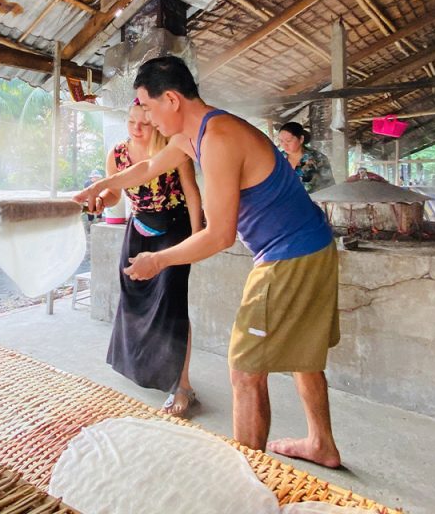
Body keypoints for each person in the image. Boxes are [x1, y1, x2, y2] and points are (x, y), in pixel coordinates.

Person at [75, 56, 342, 468]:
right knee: (302, 355)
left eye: (147, 105)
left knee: (245, 370)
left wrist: (157, 260)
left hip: (290, 255)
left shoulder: (218, 138)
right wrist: (101, 184)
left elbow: (220, 235)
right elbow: (146, 168)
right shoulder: (193, 133)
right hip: (312, 245)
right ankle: (320, 444)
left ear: (171, 99)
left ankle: (243, 481)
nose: (144, 117)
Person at [89, 101, 204, 416]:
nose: (135, 129)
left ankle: (183, 386)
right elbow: (115, 192)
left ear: (156, 124)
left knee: (172, 303)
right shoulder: (118, 153)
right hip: (138, 227)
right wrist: (101, 199)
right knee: (134, 298)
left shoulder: (172, 148)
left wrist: (197, 238)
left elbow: (191, 191)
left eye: (144, 123)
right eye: (130, 122)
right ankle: (146, 367)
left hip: (175, 227)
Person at [276, 122, 335, 193]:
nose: (284, 145)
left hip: (311, 202)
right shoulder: (278, 159)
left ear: (301, 139)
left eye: (288, 141)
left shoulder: (318, 158)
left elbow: (329, 186)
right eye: (281, 141)